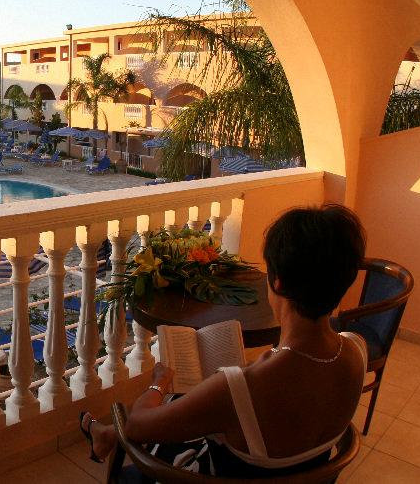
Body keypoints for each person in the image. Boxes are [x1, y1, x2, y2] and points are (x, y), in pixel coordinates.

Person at [80, 204, 368, 478]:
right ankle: (105, 435)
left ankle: (106, 435)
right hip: (302, 476)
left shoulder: (239, 387)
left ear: (277, 282)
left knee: (171, 401)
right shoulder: (356, 350)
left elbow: (137, 426)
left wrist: (159, 382)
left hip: (208, 478)